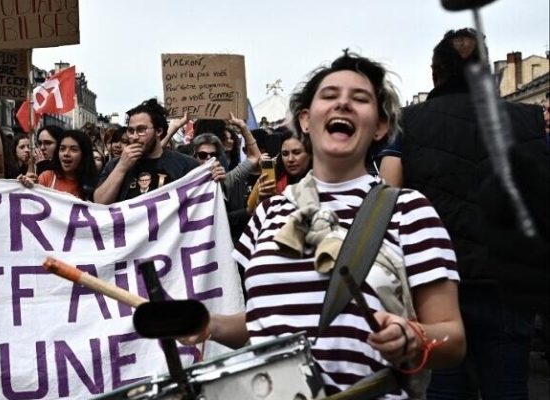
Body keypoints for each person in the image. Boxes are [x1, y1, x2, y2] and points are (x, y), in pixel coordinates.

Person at [193, 54, 465, 397]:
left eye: (361, 98)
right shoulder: (268, 212)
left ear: (381, 125)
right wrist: (209, 324)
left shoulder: (409, 212)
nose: (344, 104)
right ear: (306, 120)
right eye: (329, 95)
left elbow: (453, 339)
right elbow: (261, 324)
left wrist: (413, 337)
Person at [399, 29, 549, 399]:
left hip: (437, 283)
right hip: (508, 282)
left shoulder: (411, 124)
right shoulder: (528, 120)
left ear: (436, 72)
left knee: (446, 387)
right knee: (509, 388)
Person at [94, 99, 223, 204]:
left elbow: (201, 205)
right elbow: (99, 203)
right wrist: (122, 167)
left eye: (141, 130)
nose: (134, 136)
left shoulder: (185, 165)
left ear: (158, 131)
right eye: (130, 130)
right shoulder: (115, 165)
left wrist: (212, 178)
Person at [18, 129, 98, 201]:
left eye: (73, 149)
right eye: (62, 149)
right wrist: (25, 187)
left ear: (84, 155)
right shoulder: (47, 177)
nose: (66, 154)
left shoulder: (93, 185)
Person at [245, 130, 312, 213]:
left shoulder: (322, 180)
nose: (290, 159)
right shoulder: (273, 176)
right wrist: (262, 201)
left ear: (310, 154)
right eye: (285, 154)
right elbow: (250, 211)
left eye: (297, 153)